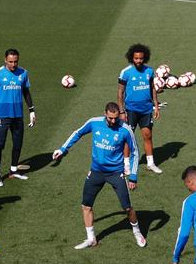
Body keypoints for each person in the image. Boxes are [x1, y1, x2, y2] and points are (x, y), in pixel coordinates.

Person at [52, 102, 147, 249]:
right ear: (105, 113)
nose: (113, 121)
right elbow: (77, 133)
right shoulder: (94, 123)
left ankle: (137, 231)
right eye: (110, 118)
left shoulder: (125, 129)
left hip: (116, 173)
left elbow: (134, 151)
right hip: (96, 172)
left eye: (115, 118)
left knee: (127, 208)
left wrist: (133, 176)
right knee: (86, 206)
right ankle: (91, 239)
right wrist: (63, 149)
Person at [0, 48, 36, 186]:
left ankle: (13, 170)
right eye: (11, 61)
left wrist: (32, 111)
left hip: (18, 115)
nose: (13, 64)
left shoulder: (23, 73)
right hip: (2, 116)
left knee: (18, 143)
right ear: (5, 60)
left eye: (16, 61)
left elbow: (26, 92)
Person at [117, 43, 162, 174]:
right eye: (136, 58)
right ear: (132, 58)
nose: (138, 61)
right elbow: (120, 92)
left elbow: (153, 88)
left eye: (141, 58)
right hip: (131, 110)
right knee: (128, 137)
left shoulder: (149, 71)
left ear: (145, 58)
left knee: (147, 135)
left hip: (146, 110)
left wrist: (156, 106)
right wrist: (121, 111)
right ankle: (126, 164)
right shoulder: (126, 72)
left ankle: (150, 163)